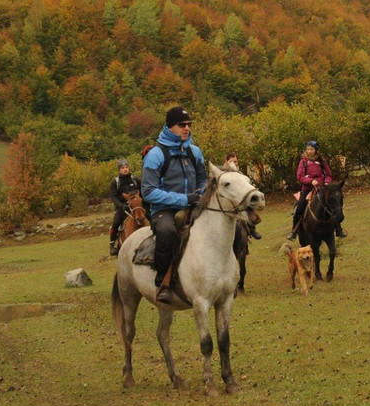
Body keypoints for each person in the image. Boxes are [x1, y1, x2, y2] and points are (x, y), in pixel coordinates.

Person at [141, 106, 207, 304]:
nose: (186, 128)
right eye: (182, 125)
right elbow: (148, 191)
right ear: (170, 127)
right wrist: (183, 199)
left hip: (192, 203)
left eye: (188, 125)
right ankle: (163, 281)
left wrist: (201, 193)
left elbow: (203, 180)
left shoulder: (195, 152)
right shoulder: (155, 155)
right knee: (168, 232)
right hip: (164, 210)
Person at [286, 140, 345, 240]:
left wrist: (327, 182)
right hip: (307, 189)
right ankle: (294, 231)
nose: (309, 151)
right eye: (308, 149)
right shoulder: (303, 161)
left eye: (312, 149)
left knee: (333, 205)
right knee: (299, 208)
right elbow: (299, 177)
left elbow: (328, 174)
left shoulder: (322, 161)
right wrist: (310, 181)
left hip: (322, 188)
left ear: (316, 150)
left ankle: (339, 229)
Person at [223, 152, 261, 240]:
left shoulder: (239, 173)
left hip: (238, 200)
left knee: (249, 205)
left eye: (235, 162)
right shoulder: (221, 172)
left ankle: (252, 228)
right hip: (225, 200)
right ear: (226, 161)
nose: (234, 164)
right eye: (231, 161)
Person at [108, 158, 141, 256]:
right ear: (119, 169)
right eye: (123, 168)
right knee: (116, 222)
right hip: (123, 207)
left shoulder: (135, 180)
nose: (125, 169)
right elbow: (113, 197)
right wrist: (121, 205)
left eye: (126, 167)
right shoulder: (115, 182)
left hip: (136, 206)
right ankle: (112, 244)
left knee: (148, 216)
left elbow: (142, 191)